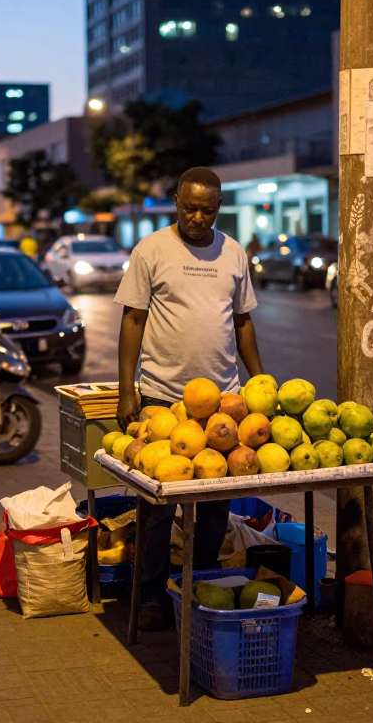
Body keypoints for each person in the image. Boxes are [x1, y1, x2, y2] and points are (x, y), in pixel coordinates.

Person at [115, 167, 265, 630]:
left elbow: (242, 322)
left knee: (216, 508)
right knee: (158, 509)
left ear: (218, 208)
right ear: (176, 201)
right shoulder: (152, 249)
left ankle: (198, 590)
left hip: (223, 404)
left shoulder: (233, 253)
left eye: (208, 209)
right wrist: (127, 389)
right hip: (163, 399)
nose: (198, 216)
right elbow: (133, 319)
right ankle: (154, 597)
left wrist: (261, 384)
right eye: (190, 206)